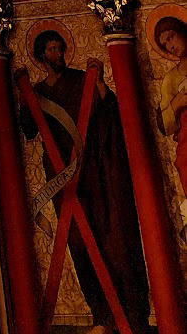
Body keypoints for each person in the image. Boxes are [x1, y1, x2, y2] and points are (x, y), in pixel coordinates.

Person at [17, 29, 151, 334]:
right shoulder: (38, 91)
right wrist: (25, 98)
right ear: (40, 56)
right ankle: (101, 315)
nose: (58, 55)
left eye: (60, 48)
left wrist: (99, 80)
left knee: (110, 237)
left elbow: (107, 108)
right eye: (51, 50)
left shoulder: (81, 80)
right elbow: (29, 129)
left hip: (93, 168)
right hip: (60, 173)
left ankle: (129, 314)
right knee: (77, 242)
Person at [154, 14, 187, 225]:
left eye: (171, 37)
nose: (170, 46)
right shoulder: (172, 78)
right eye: (165, 44)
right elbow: (165, 126)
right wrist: (176, 104)